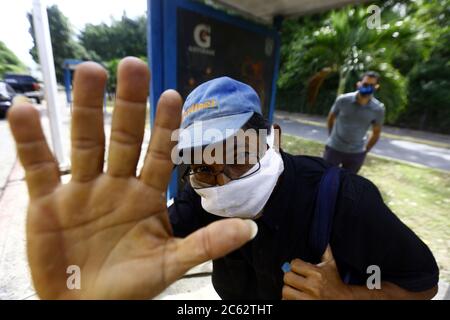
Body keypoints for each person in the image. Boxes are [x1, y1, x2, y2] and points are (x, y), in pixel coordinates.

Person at [7, 58, 438, 300]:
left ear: (272, 139)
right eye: (200, 162)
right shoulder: (200, 199)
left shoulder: (345, 200)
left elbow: (424, 286)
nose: (219, 174)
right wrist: (83, 279)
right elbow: (136, 242)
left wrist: (348, 298)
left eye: (235, 148)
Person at [324, 71, 385, 173]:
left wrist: (366, 150)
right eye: (365, 84)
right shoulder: (343, 100)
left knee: (348, 185)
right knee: (324, 179)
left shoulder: (378, 109)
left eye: (371, 85)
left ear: (376, 87)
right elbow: (331, 118)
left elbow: (376, 132)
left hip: (356, 154)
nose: (368, 87)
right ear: (359, 84)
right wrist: (331, 136)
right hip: (334, 149)